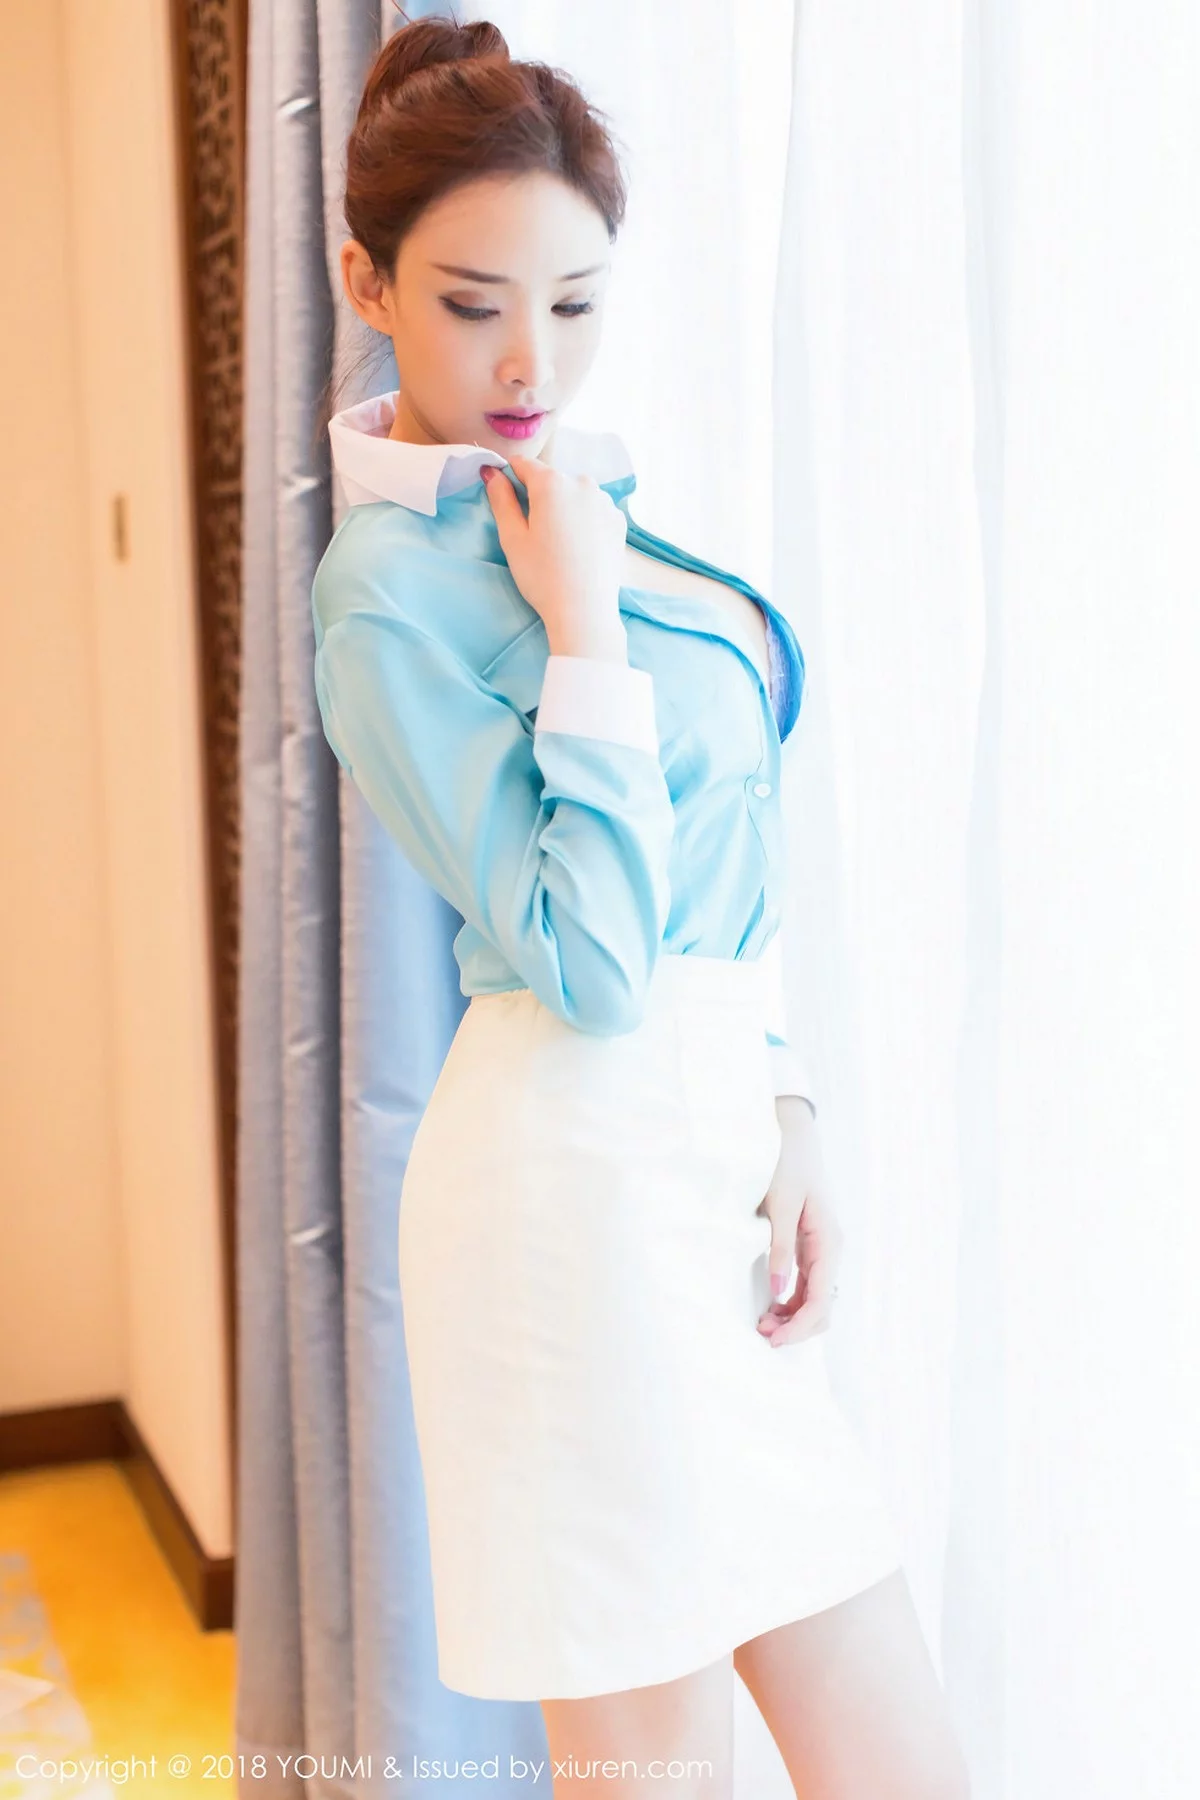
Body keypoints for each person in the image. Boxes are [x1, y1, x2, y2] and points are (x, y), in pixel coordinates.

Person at [312, 14, 971, 1800]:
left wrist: (786, 1102)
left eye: (578, 300)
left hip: (698, 1168)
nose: (532, 358)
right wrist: (588, 629)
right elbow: (593, 962)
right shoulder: (389, 594)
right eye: (473, 305)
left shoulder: (572, 505)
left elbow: (715, 858)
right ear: (367, 284)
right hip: (565, 1218)